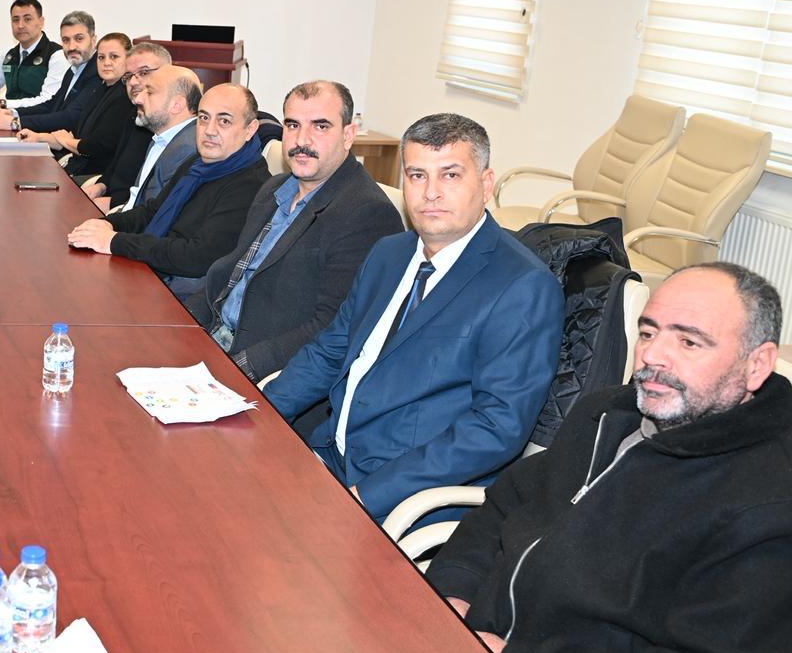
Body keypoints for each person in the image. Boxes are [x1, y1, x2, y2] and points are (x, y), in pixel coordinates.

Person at [426, 263, 792, 653]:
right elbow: (506, 503)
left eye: (689, 341)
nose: (653, 356)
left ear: (756, 364)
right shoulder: (609, 414)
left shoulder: (768, 502)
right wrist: (453, 592)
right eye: (648, 332)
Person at [262, 113, 563, 522]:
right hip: (329, 457)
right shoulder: (389, 253)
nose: (431, 193)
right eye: (417, 175)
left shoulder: (522, 286)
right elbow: (331, 350)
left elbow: (496, 427)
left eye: (450, 175)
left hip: (401, 497)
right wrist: (261, 413)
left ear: (486, 183)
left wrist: (367, 495)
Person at [186, 80, 403, 384]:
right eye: (292, 125)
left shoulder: (366, 213)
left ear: (348, 135)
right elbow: (232, 273)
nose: (302, 139)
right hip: (212, 338)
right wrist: (181, 324)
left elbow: (332, 328)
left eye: (320, 126)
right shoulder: (274, 189)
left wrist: (239, 367)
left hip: (261, 370)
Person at [68, 80, 269, 297]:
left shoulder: (252, 185)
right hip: (154, 271)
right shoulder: (197, 164)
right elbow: (153, 211)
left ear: (250, 129)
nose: (209, 130)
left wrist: (115, 241)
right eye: (204, 118)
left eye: (224, 121)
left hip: (182, 295)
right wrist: (106, 224)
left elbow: (196, 257)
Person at [16, 32, 138, 180]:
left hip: (95, 176)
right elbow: (75, 137)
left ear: (129, 60)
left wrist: (67, 141)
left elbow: (94, 147)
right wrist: (37, 137)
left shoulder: (124, 97)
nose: (106, 63)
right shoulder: (100, 89)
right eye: (101, 57)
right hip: (78, 167)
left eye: (114, 57)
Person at [80, 41, 177, 209]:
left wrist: (114, 202)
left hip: (131, 208)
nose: (133, 82)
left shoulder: (165, 121)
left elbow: (155, 192)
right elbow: (118, 162)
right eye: (128, 76)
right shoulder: (134, 112)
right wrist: (101, 185)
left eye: (144, 72)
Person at [0, 9, 101, 131]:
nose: (71, 46)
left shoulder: (97, 72)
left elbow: (70, 117)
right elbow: (51, 105)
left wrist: (16, 122)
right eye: (66, 40)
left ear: (93, 40)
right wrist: (13, 112)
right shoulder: (73, 70)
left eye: (79, 39)